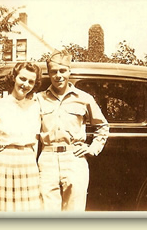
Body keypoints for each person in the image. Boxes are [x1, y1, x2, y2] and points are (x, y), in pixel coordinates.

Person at [37, 49, 109, 211]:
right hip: (47, 158)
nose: (58, 76)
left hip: (74, 158)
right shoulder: (39, 98)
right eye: (54, 72)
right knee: (47, 211)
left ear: (69, 71)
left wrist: (92, 148)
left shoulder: (83, 98)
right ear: (49, 74)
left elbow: (102, 126)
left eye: (63, 71)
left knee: (74, 211)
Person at [0, 62, 42, 212]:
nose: (26, 84)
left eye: (31, 81)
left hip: (28, 162)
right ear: (14, 78)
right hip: (5, 163)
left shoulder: (36, 107)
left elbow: (35, 140)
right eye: (22, 79)